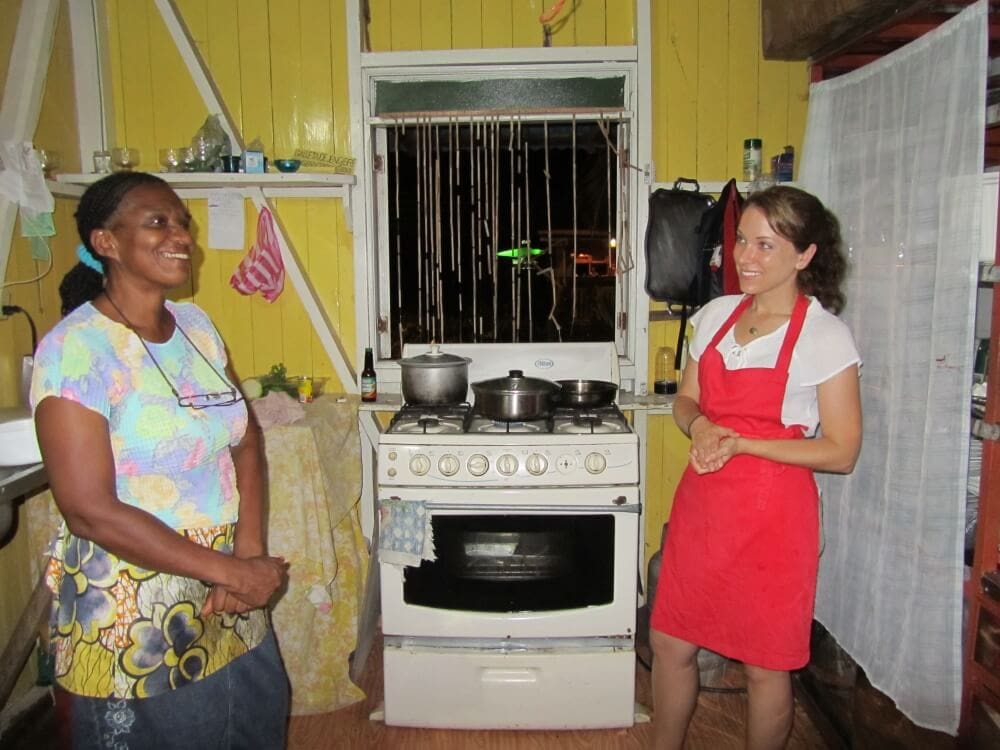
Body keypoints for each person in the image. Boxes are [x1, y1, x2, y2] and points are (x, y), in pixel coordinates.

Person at [31, 172, 290, 749]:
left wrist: (246, 552)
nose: (182, 237)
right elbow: (88, 509)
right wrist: (229, 570)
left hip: (226, 585)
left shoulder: (195, 326)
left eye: (183, 224)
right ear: (106, 242)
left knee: (249, 722)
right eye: (158, 222)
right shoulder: (76, 350)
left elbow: (244, 438)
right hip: (133, 594)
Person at [649, 185, 862, 750]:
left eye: (766, 246)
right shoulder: (717, 314)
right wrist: (699, 426)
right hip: (704, 506)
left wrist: (742, 444)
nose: (744, 257)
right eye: (743, 240)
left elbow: (841, 450)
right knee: (670, 642)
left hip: (775, 521)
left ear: (805, 255)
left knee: (767, 664)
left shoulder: (824, 335)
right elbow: (686, 399)